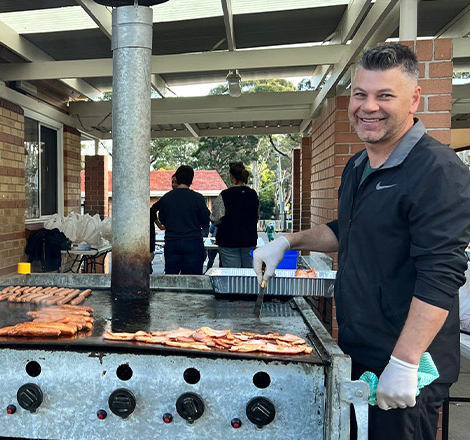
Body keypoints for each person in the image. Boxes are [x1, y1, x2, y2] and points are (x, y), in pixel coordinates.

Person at [253, 43, 470, 440]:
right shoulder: (357, 164)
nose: (368, 107)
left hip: (409, 366)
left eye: (385, 95)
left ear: (414, 98)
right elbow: (346, 228)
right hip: (358, 349)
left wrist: (405, 362)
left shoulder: (437, 169)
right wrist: (287, 240)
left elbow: (441, 273)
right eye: (360, 94)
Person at [150, 165, 210, 274]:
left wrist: (160, 223)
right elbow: (205, 222)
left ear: (177, 178)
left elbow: (162, 219)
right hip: (193, 242)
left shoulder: (167, 198)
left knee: (172, 279)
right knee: (193, 280)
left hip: (172, 242)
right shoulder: (198, 198)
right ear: (191, 180)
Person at [210, 162, 259, 268]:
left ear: (231, 177)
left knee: (231, 275)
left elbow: (215, 218)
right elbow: (256, 216)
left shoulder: (224, 195)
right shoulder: (253, 195)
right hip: (249, 240)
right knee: (249, 275)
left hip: (228, 241)